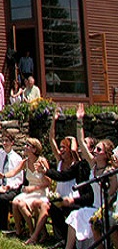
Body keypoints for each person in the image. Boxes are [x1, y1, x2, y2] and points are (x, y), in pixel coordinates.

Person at [64, 104, 118, 249]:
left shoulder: (111, 172)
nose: (94, 151)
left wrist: (102, 209)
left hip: (105, 209)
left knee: (94, 222)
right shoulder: (94, 165)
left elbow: (112, 195)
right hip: (93, 207)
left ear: (106, 154)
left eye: (98, 149)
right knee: (75, 215)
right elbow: (81, 142)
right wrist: (79, 120)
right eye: (94, 148)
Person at [41, 108, 92, 245]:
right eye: (61, 147)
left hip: (76, 199)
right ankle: (63, 238)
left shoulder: (78, 163)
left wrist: (76, 138)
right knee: (53, 207)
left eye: (65, 147)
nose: (61, 149)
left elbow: (77, 149)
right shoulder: (65, 163)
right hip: (64, 198)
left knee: (66, 210)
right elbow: (51, 139)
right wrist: (53, 120)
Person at [0, 138, 50, 244]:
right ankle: (22, 230)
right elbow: (13, 172)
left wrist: (34, 187)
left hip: (41, 191)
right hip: (30, 190)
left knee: (21, 204)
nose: (25, 147)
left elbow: (48, 182)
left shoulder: (42, 161)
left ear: (34, 149)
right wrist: (3, 175)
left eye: (28, 145)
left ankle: (33, 233)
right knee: (15, 201)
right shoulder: (25, 162)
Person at [0, 122, 23, 230]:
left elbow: (19, 179)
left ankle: (3, 226)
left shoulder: (17, 159)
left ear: (12, 143)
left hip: (11, 188)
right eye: (3, 141)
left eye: (7, 141)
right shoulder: (0, 154)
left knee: (2, 199)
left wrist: (8, 186)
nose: (4, 143)